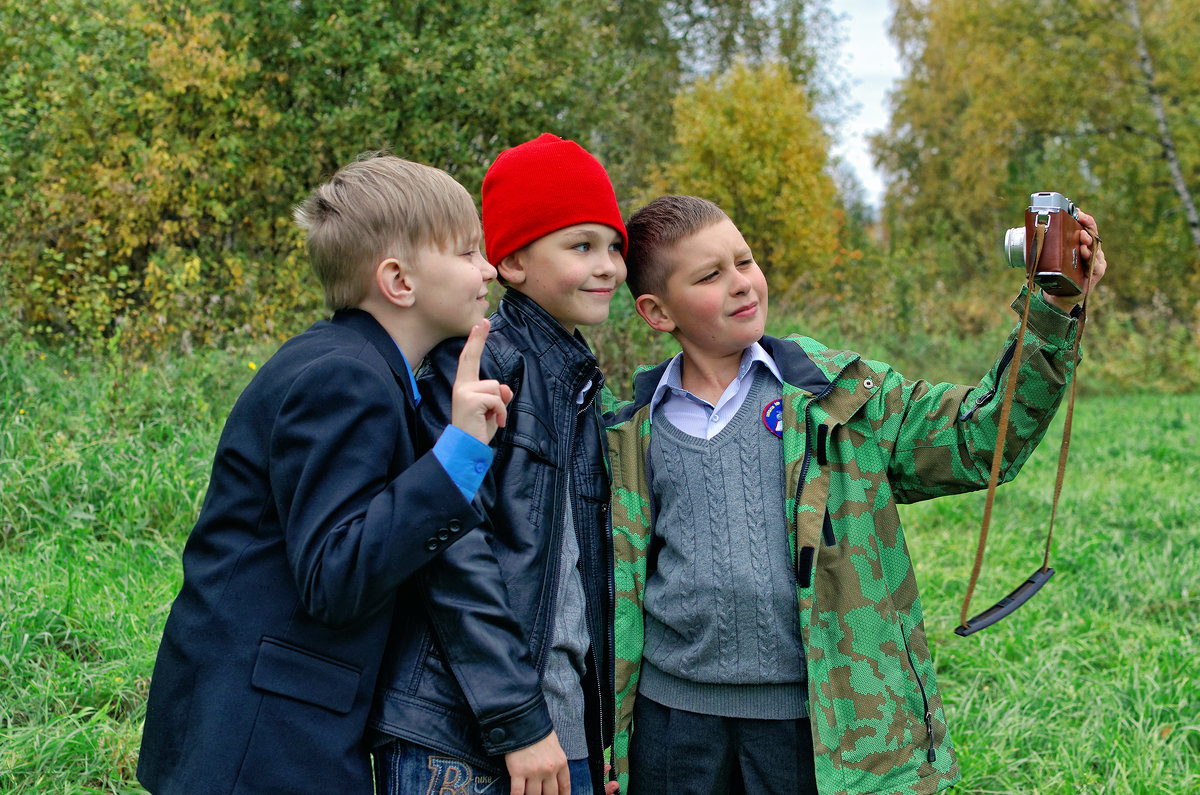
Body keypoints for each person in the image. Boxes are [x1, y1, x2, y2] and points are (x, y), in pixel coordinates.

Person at [604, 195, 1107, 795]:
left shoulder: (842, 397)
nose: (742, 284)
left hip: (816, 721)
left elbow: (979, 438)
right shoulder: (630, 431)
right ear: (658, 311)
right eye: (710, 276)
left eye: (745, 261)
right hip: (673, 721)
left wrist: (1054, 307)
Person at [137, 154, 512, 794]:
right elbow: (334, 575)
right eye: (467, 252)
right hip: (262, 736)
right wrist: (456, 458)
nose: (489, 268)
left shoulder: (359, 365)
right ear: (398, 281)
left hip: (267, 723)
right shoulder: (346, 379)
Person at [367, 133, 626, 795]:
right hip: (467, 735)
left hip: (561, 727)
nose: (609, 267)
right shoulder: (481, 367)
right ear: (511, 260)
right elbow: (451, 551)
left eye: (614, 246)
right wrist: (517, 719)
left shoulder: (580, 387)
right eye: (581, 245)